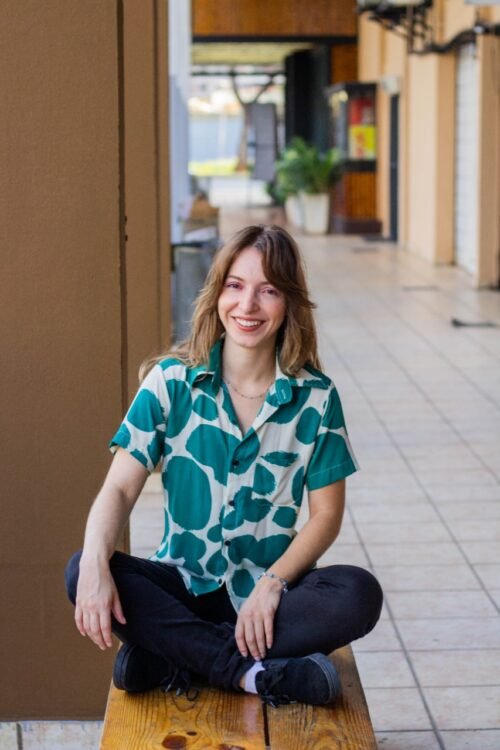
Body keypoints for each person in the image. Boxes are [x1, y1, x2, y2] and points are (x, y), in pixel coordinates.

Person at [65, 224, 382, 707]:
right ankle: (254, 675)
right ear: (217, 294)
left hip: (269, 599)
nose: (247, 306)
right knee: (81, 569)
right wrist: (93, 565)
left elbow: (325, 517)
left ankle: (174, 655)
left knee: (358, 593)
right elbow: (120, 491)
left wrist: (273, 583)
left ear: (289, 303)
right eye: (235, 286)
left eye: (268, 290)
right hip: (182, 585)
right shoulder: (171, 382)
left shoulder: (317, 398)